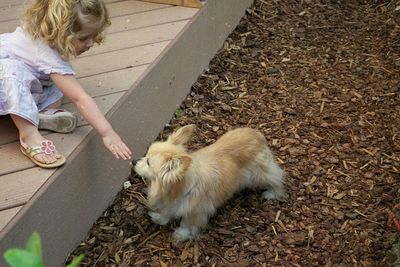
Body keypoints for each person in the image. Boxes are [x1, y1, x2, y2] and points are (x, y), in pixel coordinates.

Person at [0, 0, 132, 168]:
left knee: (60, 84)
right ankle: (29, 134)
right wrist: (107, 133)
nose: (91, 43)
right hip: (6, 78)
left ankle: (34, 114)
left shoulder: (44, 33)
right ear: (59, 31)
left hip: (27, 80)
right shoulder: (45, 53)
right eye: (83, 38)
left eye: (94, 35)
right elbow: (79, 99)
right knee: (12, 73)